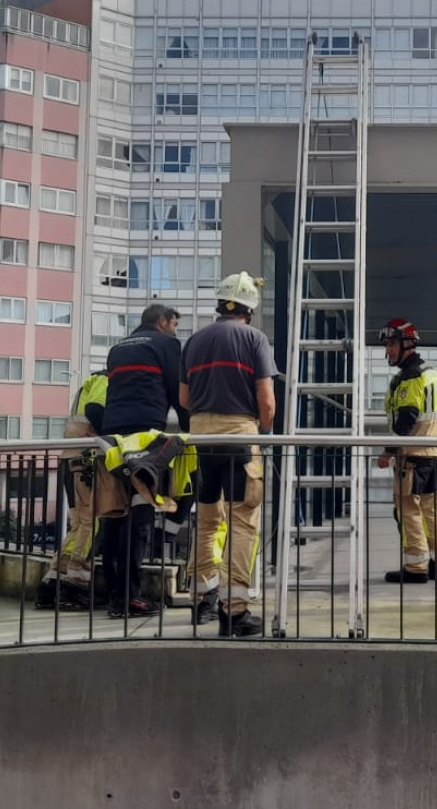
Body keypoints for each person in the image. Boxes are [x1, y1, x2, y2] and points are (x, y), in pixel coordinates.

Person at [180, 271, 277, 637]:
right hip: (240, 439)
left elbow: (186, 400)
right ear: (249, 309)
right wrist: (263, 432)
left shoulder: (194, 341)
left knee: (207, 522)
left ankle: (201, 596)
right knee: (241, 522)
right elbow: (266, 402)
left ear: (220, 305)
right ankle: (234, 612)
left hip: (201, 439)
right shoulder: (255, 339)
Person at [100, 304, 189, 619]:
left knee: (114, 513)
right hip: (145, 436)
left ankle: (114, 595)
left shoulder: (118, 348)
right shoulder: (166, 344)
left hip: (112, 435)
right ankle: (129, 598)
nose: (176, 329)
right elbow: (176, 393)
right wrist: (190, 431)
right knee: (140, 513)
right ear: (163, 321)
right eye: (175, 323)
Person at [376, 318, 437, 584]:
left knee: (408, 511)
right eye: (388, 345)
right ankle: (435, 564)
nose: (389, 350)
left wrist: (388, 451)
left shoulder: (410, 377)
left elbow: (406, 418)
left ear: (408, 343)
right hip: (434, 454)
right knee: (429, 511)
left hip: (413, 457)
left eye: (393, 344)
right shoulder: (428, 372)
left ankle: (416, 568)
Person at [33, 371, 107, 610]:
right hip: (86, 460)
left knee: (78, 526)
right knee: (91, 523)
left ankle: (51, 584)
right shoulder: (105, 381)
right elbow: (96, 411)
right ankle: (76, 586)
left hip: (71, 459)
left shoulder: (89, 383)